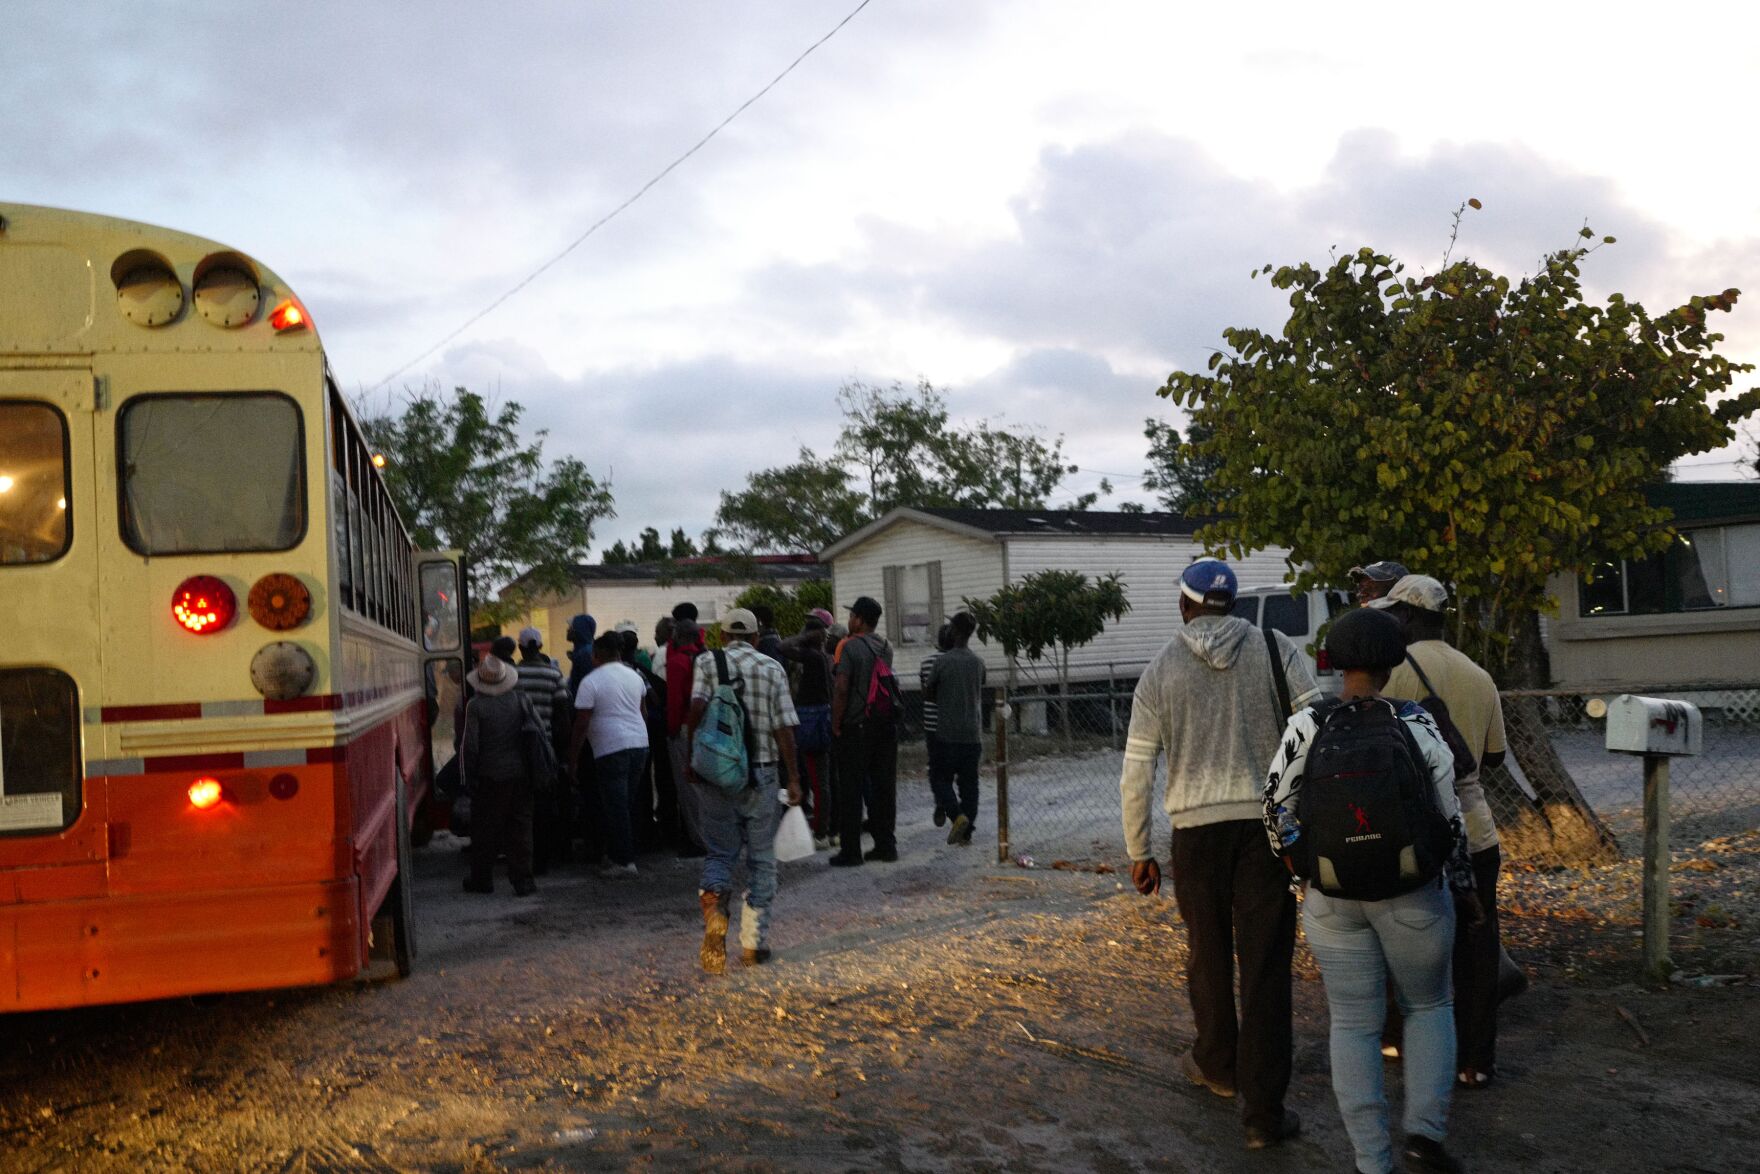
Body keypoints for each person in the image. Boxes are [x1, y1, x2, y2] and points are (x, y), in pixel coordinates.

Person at [1262, 605, 1473, 1174]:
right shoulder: (1416, 722)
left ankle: (1370, 1160)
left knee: (1353, 1021)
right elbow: (1450, 815)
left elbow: (1274, 809)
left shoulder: (1308, 724)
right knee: (1429, 1005)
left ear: (1331, 662)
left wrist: (1304, 871)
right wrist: (1460, 884)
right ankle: (1423, 1140)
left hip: (1331, 898)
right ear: (1394, 660)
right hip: (1414, 897)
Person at [1118, 558, 1317, 1150]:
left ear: (1184, 606)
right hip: (1265, 831)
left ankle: (1217, 1066)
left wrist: (1139, 849)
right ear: (1229, 604)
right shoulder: (1278, 649)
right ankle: (1263, 1113)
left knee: (1207, 953)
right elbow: (1310, 726)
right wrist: (1292, 809)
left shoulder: (1158, 671)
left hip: (1195, 836)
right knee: (1265, 967)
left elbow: (1137, 771)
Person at [1374, 574, 1511, 1089]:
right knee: (1477, 950)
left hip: (1416, 833)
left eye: (1392, 614)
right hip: (1476, 834)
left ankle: (1400, 1039)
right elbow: (1492, 760)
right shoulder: (1480, 676)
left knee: (1404, 938)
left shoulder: (1395, 674)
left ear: (1408, 616)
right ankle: (1474, 1062)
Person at [685, 607, 804, 973]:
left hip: (717, 775)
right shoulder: (772, 668)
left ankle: (716, 912)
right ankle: (753, 944)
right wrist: (794, 778)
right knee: (761, 859)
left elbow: (697, 708)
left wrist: (694, 758)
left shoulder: (706, 662)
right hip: (760, 775)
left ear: (722, 637)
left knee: (719, 853)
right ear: (755, 638)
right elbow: (785, 727)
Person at [571, 633, 651, 878]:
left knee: (616, 806)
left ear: (596, 654)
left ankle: (624, 862)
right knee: (624, 804)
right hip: (639, 744)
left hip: (610, 747)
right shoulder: (635, 676)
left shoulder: (590, 681)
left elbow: (582, 722)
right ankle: (618, 854)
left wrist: (572, 757)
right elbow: (643, 712)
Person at [460, 653, 537, 896]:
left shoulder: (476, 706)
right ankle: (523, 880)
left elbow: (470, 746)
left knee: (485, 829)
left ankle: (482, 879)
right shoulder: (521, 700)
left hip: (490, 776)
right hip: (520, 773)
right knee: (520, 826)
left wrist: (468, 778)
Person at [830, 595, 898, 866]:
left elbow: (842, 688)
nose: (849, 620)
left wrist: (836, 722)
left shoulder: (849, 647)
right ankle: (886, 845)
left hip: (856, 726)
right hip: (884, 724)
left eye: (851, 615)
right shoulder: (885, 646)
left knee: (851, 789)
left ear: (858, 619)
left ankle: (851, 851)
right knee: (883, 789)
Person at [514, 627, 573, 870]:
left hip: (517, 749)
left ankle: (523, 857)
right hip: (545, 749)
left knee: (521, 806)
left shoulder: (513, 676)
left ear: (520, 648)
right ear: (539, 647)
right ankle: (543, 858)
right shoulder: (554, 675)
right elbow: (562, 717)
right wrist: (563, 753)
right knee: (544, 805)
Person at [925, 611, 986, 845]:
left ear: (957, 631)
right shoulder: (977, 662)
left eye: (951, 627)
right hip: (973, 734)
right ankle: (967, 831)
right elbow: (981, 685)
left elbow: (929, 693)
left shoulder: (942, 661)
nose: (948, 630)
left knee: (939, 778)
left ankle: (956, 815)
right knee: (970, 784)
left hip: (946, 733)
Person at [778, 613, 835, 849]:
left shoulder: (811, 657)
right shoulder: (822, 657)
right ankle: (827, 829)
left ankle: (820, 832)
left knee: (817, 778)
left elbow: (783, 646)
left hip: (810, 721)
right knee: (823, 778)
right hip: (822, 719)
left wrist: (803, 636)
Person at [665, 603, 709, 857]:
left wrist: (671, 730)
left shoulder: (678, 662)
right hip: (706, 725)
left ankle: (698, 839)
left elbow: (675, 702)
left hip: (683, 726)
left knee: (688, 787)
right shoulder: (706, 656)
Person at [918, 622, 953, 824]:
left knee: (935, 764)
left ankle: (940, 800)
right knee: (951, 765)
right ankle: (950, 801)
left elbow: (925, 689)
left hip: (932, 722)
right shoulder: (958, 660)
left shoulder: (927, 662)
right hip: (953, 722)